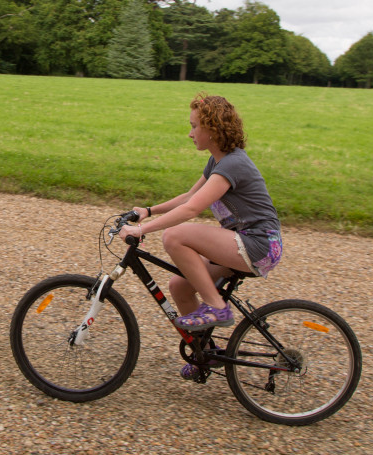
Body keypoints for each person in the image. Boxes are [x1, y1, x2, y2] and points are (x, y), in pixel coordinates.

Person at [119, 93, 282, 353]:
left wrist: (141, 230)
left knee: (174, 236)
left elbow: (192, 209)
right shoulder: (217, 161)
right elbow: (189, 196)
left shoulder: (233, 164)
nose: (190, 133)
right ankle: (205, 354)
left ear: (213, 130)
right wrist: (148, 211)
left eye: (194, 126)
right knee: (180, 286)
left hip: (258, 244)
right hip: (244, 242)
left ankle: (216, 308)